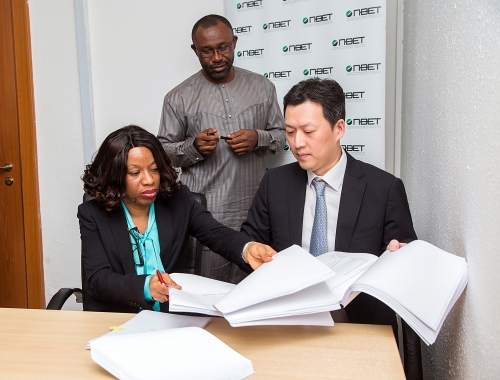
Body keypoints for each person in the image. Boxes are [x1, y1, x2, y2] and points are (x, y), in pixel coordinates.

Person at [241, 78, 418, 331]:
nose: (297, 143)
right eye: (290, 132)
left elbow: (406, 264)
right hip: (286, 321)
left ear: (339, 129)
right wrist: (251, 250)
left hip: (358, 326)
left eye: (309, 131)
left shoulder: (384, 188)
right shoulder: (275, 183)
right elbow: (250, 242)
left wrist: (400, 256)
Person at [78, 125, 275, 313]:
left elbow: (216, 233)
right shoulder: (93, 214)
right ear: (115, 176)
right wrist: (147, 286)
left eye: (154, 169)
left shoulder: (179, 200)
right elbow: (98, 280)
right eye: (135, 173)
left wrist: (247, 249)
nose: (149, 180)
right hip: (117, 320)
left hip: (171, 318)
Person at [157, 14, 285, 284]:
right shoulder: (178, 97)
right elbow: (161, 153)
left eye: (223, 48)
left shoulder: (263, 88)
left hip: (255, 213)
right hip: (205, 219)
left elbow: (282, 136)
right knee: (209, 293)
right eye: (207, 51)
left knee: (255, 290)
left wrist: (257, 138)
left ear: (234, 43)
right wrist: (193, 147)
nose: (216, 57)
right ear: (195, 50)